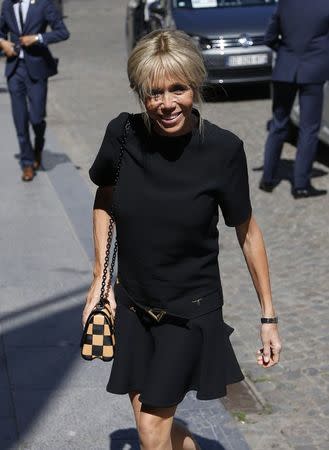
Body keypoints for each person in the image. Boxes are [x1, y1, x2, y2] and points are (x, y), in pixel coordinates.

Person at [83, 30, 282, 450]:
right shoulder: (123, 135)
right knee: (152, 427)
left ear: (195, 86)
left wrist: (268, 317)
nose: (167, 103)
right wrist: (100, 281)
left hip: (189, 312)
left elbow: (247, 232)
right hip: (134, 305)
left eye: (179, 89)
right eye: (155, 93)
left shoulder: (223, 150)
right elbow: (105, 200)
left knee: (151, 430)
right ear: (141, 94)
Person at [260, 0, 329, 198]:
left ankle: (267, 179)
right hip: (314, 71)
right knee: (309, 128)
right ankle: (300, 185)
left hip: (285, 69)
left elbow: (270, 37)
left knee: (278, 124)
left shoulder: (286, 3)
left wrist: (286, 54)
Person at [0, 0, 70, 181]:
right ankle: (27, 163)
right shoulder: (7, 4)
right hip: (14, 70)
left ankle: (38, 146)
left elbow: (62, 32)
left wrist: (38, 38)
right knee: (20, 119)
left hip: (37, 69)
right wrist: (3, 43)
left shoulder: (44, 4)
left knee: (36, 118)